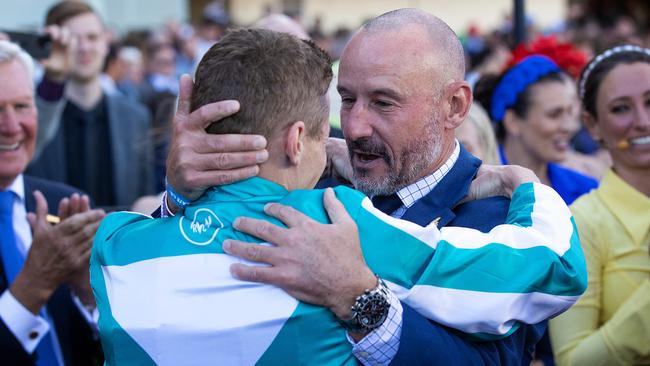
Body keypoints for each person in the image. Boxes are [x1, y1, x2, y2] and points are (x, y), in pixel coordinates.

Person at [92, 28, 586, 365]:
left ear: (454, 105)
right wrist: (525, 185)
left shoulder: (114, 242)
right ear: (294, 138)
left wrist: (181, 200)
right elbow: (557, 270)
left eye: (383, 101)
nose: (349, 129)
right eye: (345, 101)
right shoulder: (332, 222)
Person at [0, 40, 105, 365]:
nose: (12, 127)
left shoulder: (63, 203)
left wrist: (88, 294)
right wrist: (35, 284)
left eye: (22, 106)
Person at [549, 44, 650, 366]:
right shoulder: (581, 223)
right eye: (621, 108)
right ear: (593, 126)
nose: (643, 122)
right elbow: (572, 360)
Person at [27, 0, 154, 209]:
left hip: (118, 238)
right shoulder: (33, 116)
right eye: (73, 39)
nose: (84, 47)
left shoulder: (135, 117)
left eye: (92, 37)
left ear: (106, 43)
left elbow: (145, 198)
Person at [475, 55, 598, 205]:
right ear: (512, 121)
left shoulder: (586, 190)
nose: (569, 127)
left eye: (570, 112)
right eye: (554, 114)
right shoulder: (477, 191)